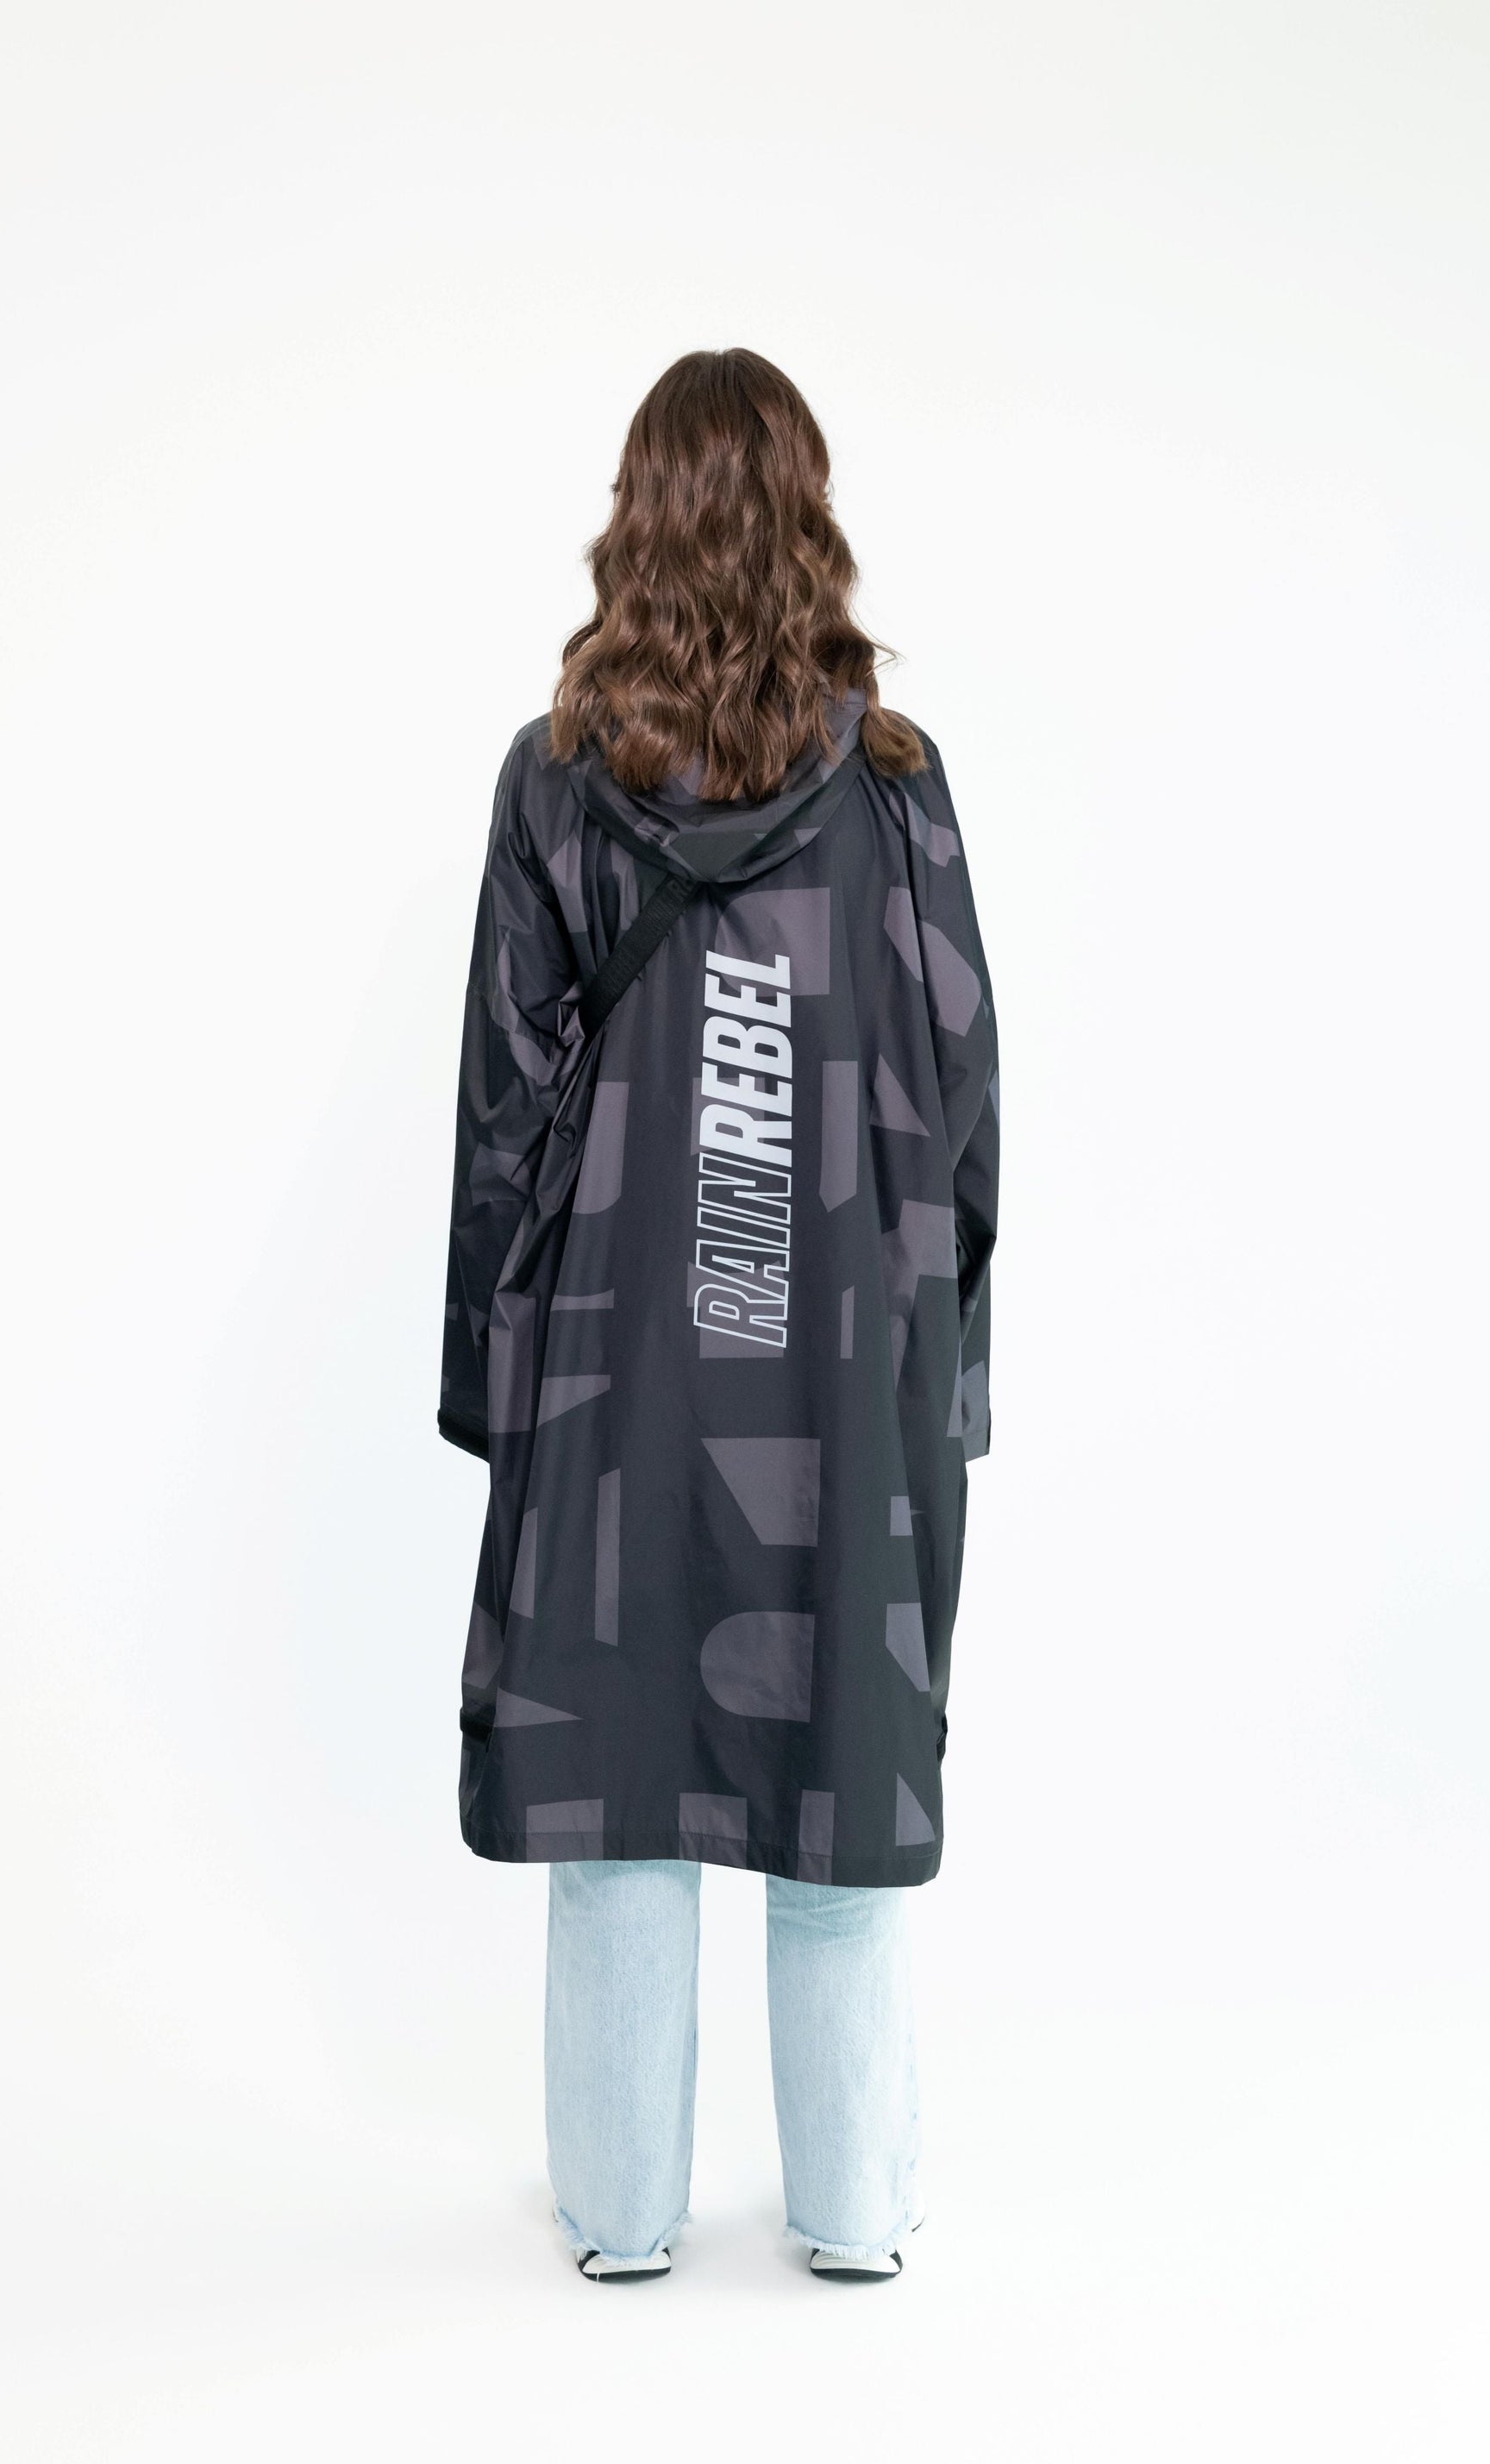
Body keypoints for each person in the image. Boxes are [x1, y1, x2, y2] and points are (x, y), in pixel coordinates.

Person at [437, 348, 999, 2283]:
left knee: (620, 1784)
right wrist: (948, 1376)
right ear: (807, 520)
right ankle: (852, 2216)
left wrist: (492, 1385)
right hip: (835, 1367)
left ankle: (617, 2220)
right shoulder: (896, 792)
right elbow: (960, 1096)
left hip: (617, 1371)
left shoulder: (556, 782)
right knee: (837, 1762)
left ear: (639, 519)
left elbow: (506, 1106)